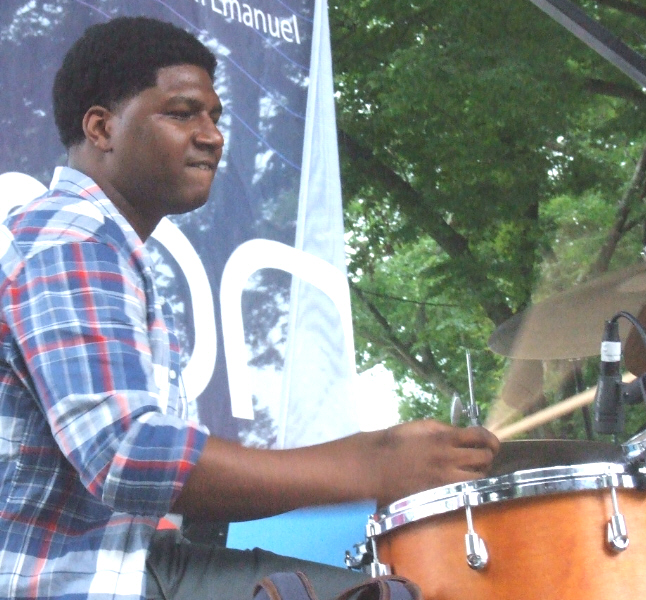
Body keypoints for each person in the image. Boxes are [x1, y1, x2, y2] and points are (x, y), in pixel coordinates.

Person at [0, 16, 500, 600]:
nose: (212, 135)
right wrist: (371, 463)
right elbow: (128, 455)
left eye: (215, 116)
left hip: (130, 566)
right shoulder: (73, 239)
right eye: (183, 112)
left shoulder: (103, 246)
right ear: (102, 128)